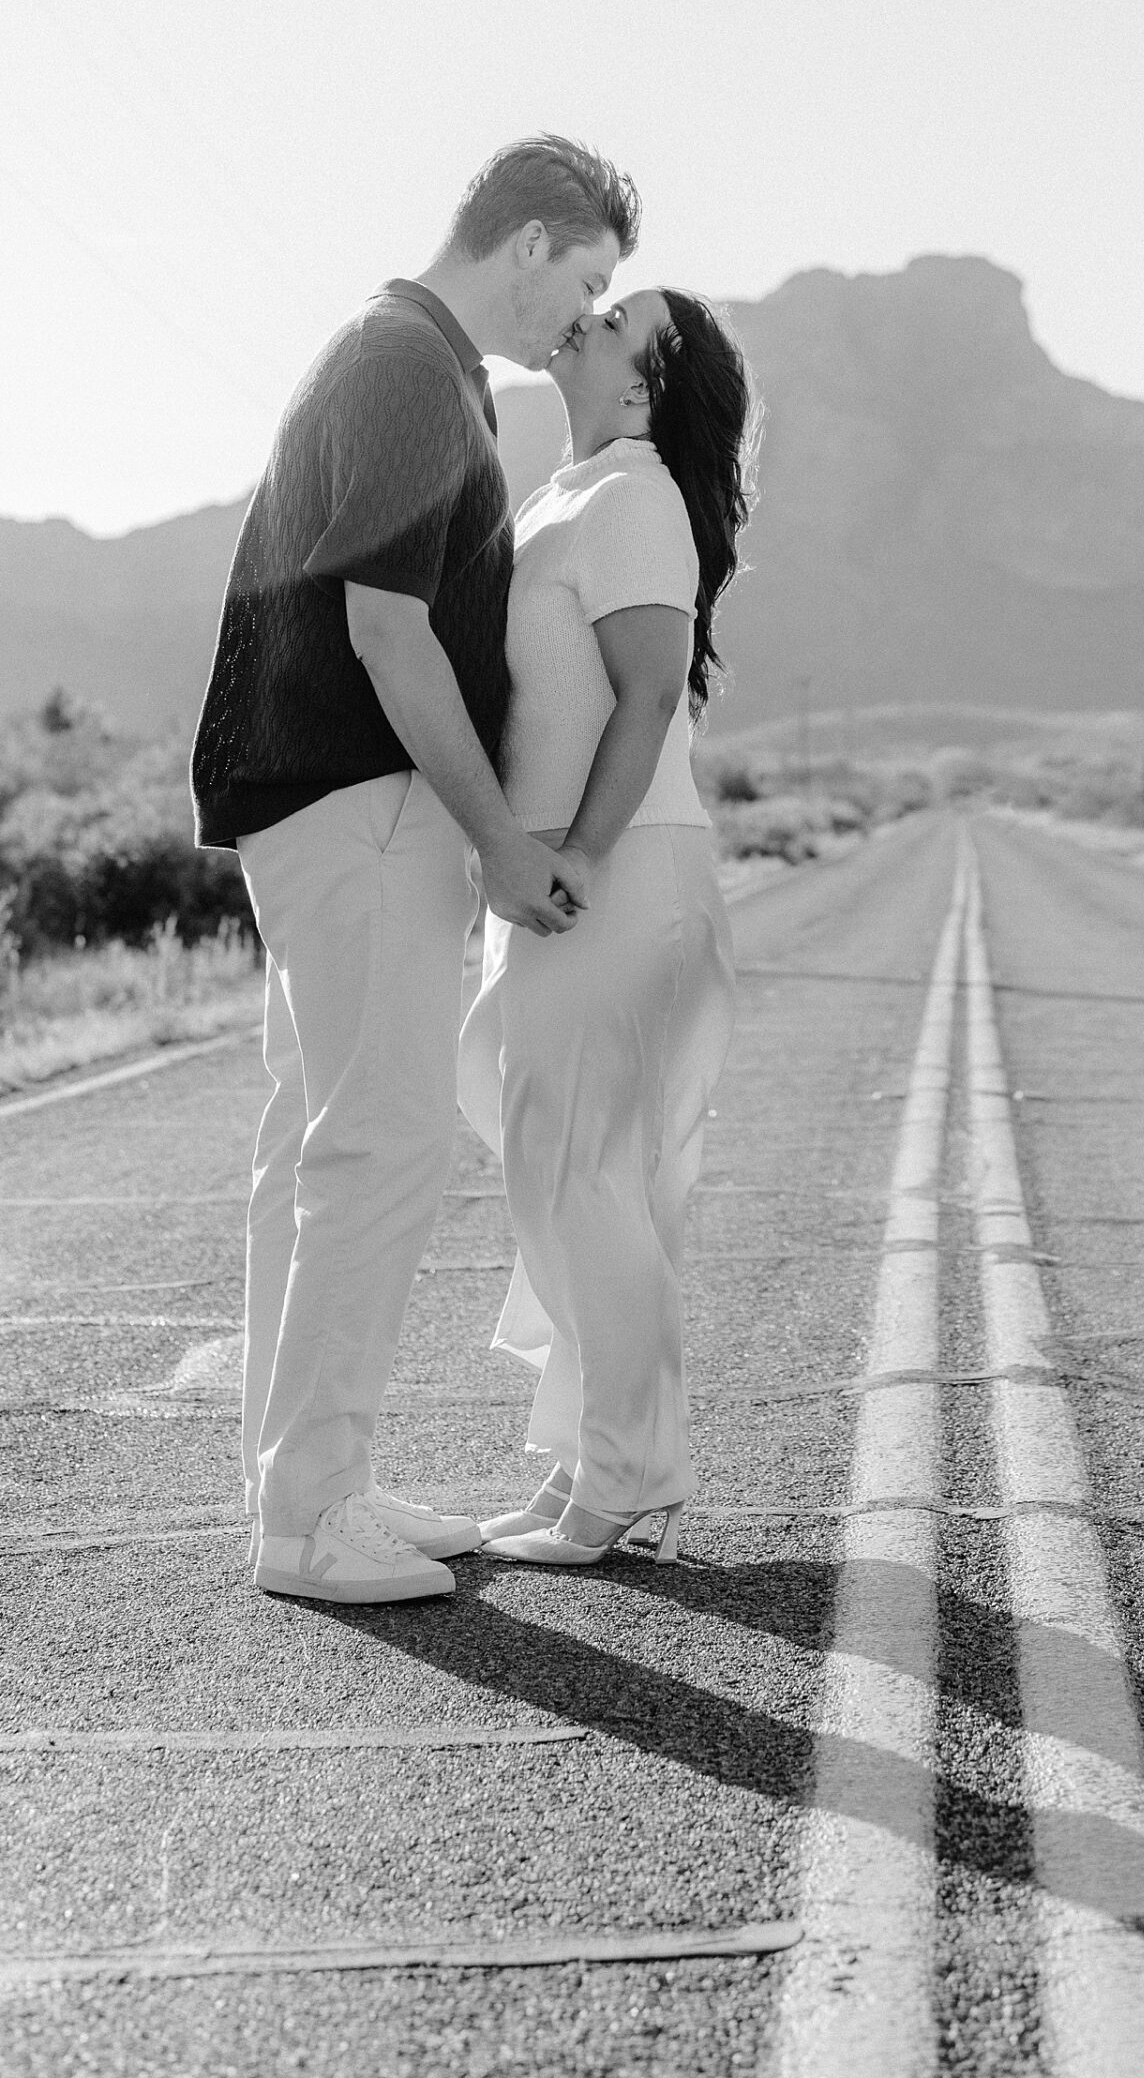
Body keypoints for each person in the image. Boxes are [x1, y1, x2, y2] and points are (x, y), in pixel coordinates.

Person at [190, 135, 639, 1606]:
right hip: (363, 805)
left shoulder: (409, 362)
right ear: (527, 244)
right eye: (581, 283)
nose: (577, 322)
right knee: (376, 1148)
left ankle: (313, 1486)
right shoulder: (402, 361)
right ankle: (308, 1523)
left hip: (325, 804)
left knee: (307, 1154)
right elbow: (389, 633)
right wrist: (501, 839)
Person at [456, 285, 755, 1568]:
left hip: (618, 867)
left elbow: (643, 701)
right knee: (564, 1168)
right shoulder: (565, 497)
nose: (582, 318)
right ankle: (594, 1455)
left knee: (578, 1172)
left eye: (614, 317)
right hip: (569, 870)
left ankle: (624, 1471)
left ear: (646, 383)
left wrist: (574, 849)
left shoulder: (633, 500)